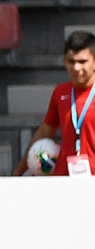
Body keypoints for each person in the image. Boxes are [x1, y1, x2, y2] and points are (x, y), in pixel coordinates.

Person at [15, 31, 94, 177]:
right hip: (64, 179)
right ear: (64, 62)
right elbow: (44, 133)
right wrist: (18, 173)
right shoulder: (60, 92)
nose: (76, 68)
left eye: (82, 62)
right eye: (71, 61)